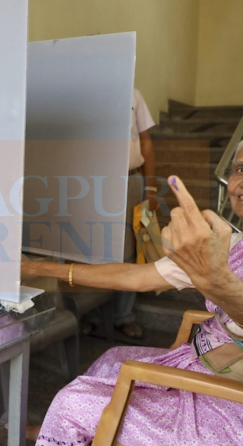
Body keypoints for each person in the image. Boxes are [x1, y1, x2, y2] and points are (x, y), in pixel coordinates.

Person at [22, 129, 243, 446]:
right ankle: (74, 433)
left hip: (242, 410)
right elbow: (135, 278)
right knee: (112, 358)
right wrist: (35, 267)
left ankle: (69, 428)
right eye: (240, 169)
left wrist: (218, 282)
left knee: (71, 402)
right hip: (213, 372)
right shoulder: (234, 242)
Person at [87, 88, 156, 339]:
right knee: (94, 249)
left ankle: (123, 316)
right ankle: (92, 314)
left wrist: (149, 187)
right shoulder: (86, 94)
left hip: (130, 181)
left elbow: (145, 142)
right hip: (94, 183)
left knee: (129, 249)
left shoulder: (134, 94)